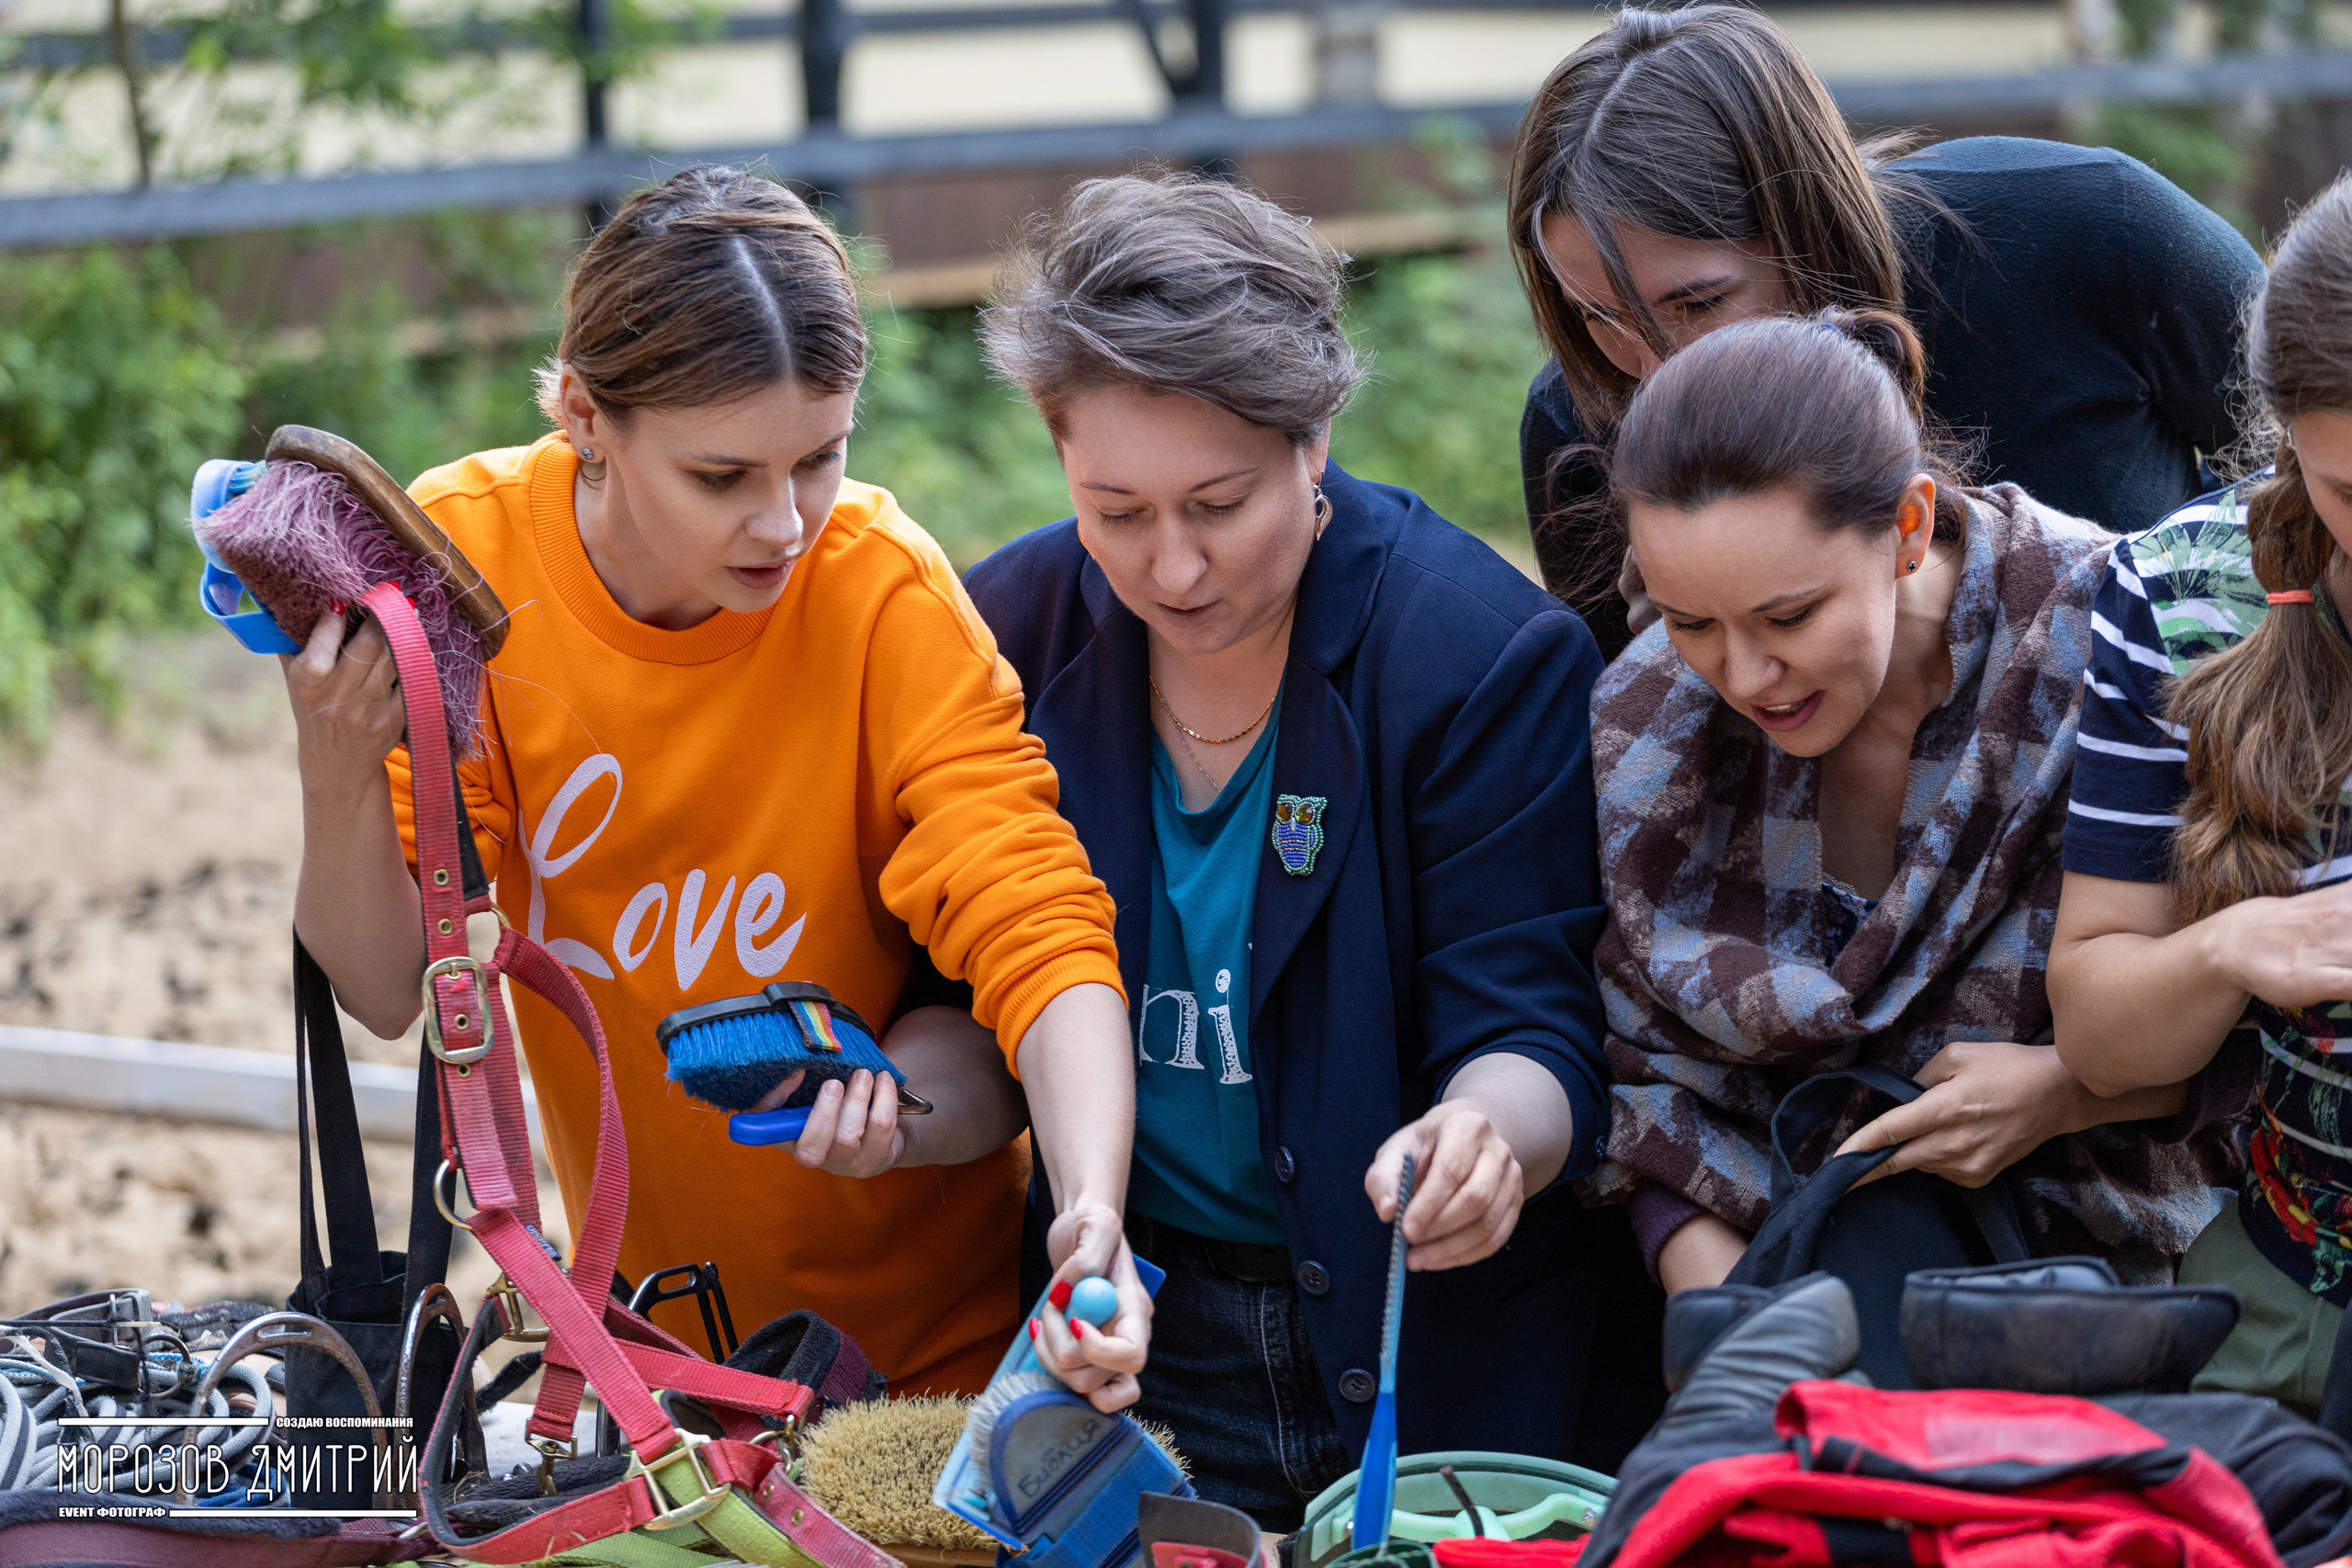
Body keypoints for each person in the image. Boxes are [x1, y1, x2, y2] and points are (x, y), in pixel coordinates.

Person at [278, 165, 1149, 1407]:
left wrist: (1093, 1213)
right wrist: (335, 760)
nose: (785, 523)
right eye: (723, 475)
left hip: (944, 1366)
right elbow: (379, 986)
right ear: (584, 413)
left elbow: (1041, 923)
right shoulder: (470, 558)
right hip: (649, 1361)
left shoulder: (880, 589)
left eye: (821, 458)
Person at [962, 173, 1611, 1525]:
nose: (1174, 566)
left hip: (1423, 1348)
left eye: (1220, 501)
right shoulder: (1007, 633)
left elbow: (1533, 1022)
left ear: (1316, 436)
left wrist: (1489, 1135)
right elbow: (974, 995)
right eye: (1116, 508)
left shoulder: (1473, 654)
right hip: (1130, 1339)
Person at [1589, 306, 2237, 1297]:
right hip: (1767, 1300)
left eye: (1789, 615)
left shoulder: (2118, 645)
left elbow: (2259, 998)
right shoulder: (1651, 723)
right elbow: (1651, 1084)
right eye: (1691, 622)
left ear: (1906, 525)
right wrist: (1729, 1334)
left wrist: (2064, 1094)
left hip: (2102, 1292)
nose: (1747, 673)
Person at [1509, 4, 2264, 659]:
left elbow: (2304, 472)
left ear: (1806, 224)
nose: (1656, 368)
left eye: (1696, 304)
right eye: (1600, 315)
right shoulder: (1576, 429)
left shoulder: (2089, 232)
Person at [2050, 177, 2352, 1416]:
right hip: (2292, 1300)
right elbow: (2107, 1036)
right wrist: (2243, 940)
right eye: (2351, 495)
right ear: (2286, 435)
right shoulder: (2182, 594)